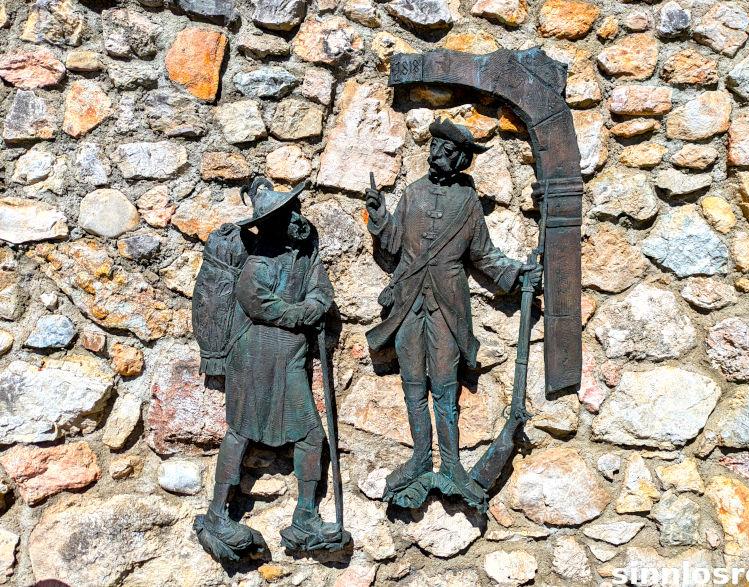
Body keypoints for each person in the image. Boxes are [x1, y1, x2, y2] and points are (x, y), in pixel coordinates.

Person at [364, 117, 542, 509]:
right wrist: (379, 215)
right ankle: (419, 457)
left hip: (447, 305)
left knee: (445, 385)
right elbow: (393, 245)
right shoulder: (411, 194)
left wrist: (516, 273)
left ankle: (451, 464)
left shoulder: (467, 203)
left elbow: (482, 254)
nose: (436, 155)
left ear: (460, 159)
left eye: (445, 151)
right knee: (413, 383)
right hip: (409, 301)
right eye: (433, 148)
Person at [196, 179, 348, 557]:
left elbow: (322, 291)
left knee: (311, 434)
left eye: (294, 210)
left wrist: (314, 305)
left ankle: (305, 515)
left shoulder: (303, 256)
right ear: (271, 222)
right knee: (241, 431)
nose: (296, 216)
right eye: (286, 212)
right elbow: (258, 303)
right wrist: (301, 312)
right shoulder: (258, 262)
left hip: (290, 355)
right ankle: (217, 513)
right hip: (255, 356)